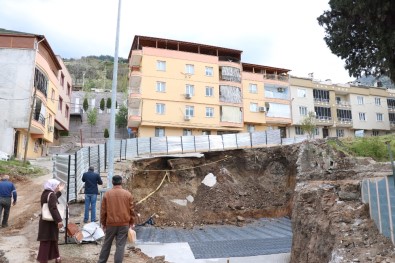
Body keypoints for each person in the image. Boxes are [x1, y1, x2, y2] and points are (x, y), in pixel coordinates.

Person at [98, 175, 134, 263]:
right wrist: (131, 222)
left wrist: (103, 223)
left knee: (107, 244)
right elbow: (131, 210)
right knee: (120, 246)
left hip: (110, 224)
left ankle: (101, 261)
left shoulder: (107, 194)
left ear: (112, 182)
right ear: (121, 182)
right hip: (124, 224)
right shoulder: (128, 194)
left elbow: (103, 211)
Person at [37, 179, 65, 263]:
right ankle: (43, 260)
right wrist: (59, 220)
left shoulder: (45, 193)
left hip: (45, 221)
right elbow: (53, 208)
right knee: (47, 240)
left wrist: (59, 192)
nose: (57, 187)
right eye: (56, 186)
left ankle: (57, 257)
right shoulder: (51, 194)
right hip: (49, 222)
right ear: (52, 186)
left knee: (52, 239)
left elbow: (52, 199)